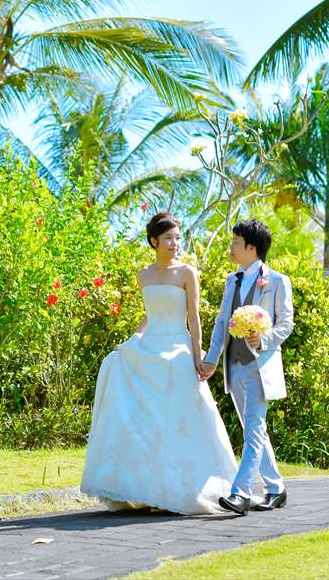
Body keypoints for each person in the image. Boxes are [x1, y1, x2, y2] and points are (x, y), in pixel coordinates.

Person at [80, 212, 236, 514]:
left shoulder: (187, 273)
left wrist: (198, 357)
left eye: (178, 238)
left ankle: (179, 490)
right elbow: (150, 317)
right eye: (168, 238)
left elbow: (193, 318)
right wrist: (129, 342)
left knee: (179, 414)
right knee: (135, 405)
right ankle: (145, 489)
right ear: (154, 241)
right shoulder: (144, 275)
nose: (175, 243)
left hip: (177, 346)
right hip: (151, 344)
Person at [197, 219, 294, 516]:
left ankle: (240, 493)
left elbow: (286, 323)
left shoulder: (277, 281)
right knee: (254, 430)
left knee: (253, 429)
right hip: (235, 367)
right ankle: (276, 488)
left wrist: (264, 337)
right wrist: (212, 358)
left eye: (236, 242)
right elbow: (223, 322)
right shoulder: (232, 280)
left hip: (261, 366)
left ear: (252, 247)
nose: (231, 247)